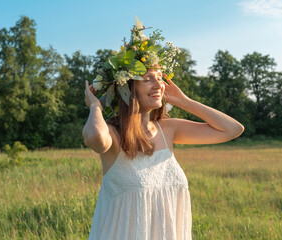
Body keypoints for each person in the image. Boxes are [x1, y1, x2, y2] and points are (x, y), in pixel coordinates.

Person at [83, 17, 244, 240]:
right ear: (127, 88)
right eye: (148, 78)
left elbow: (232, 129)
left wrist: (184, 101)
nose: (159, 84)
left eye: (160, 78)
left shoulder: (168, 130)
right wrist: (95, 107)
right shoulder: (113, 135)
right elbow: (94, 136)